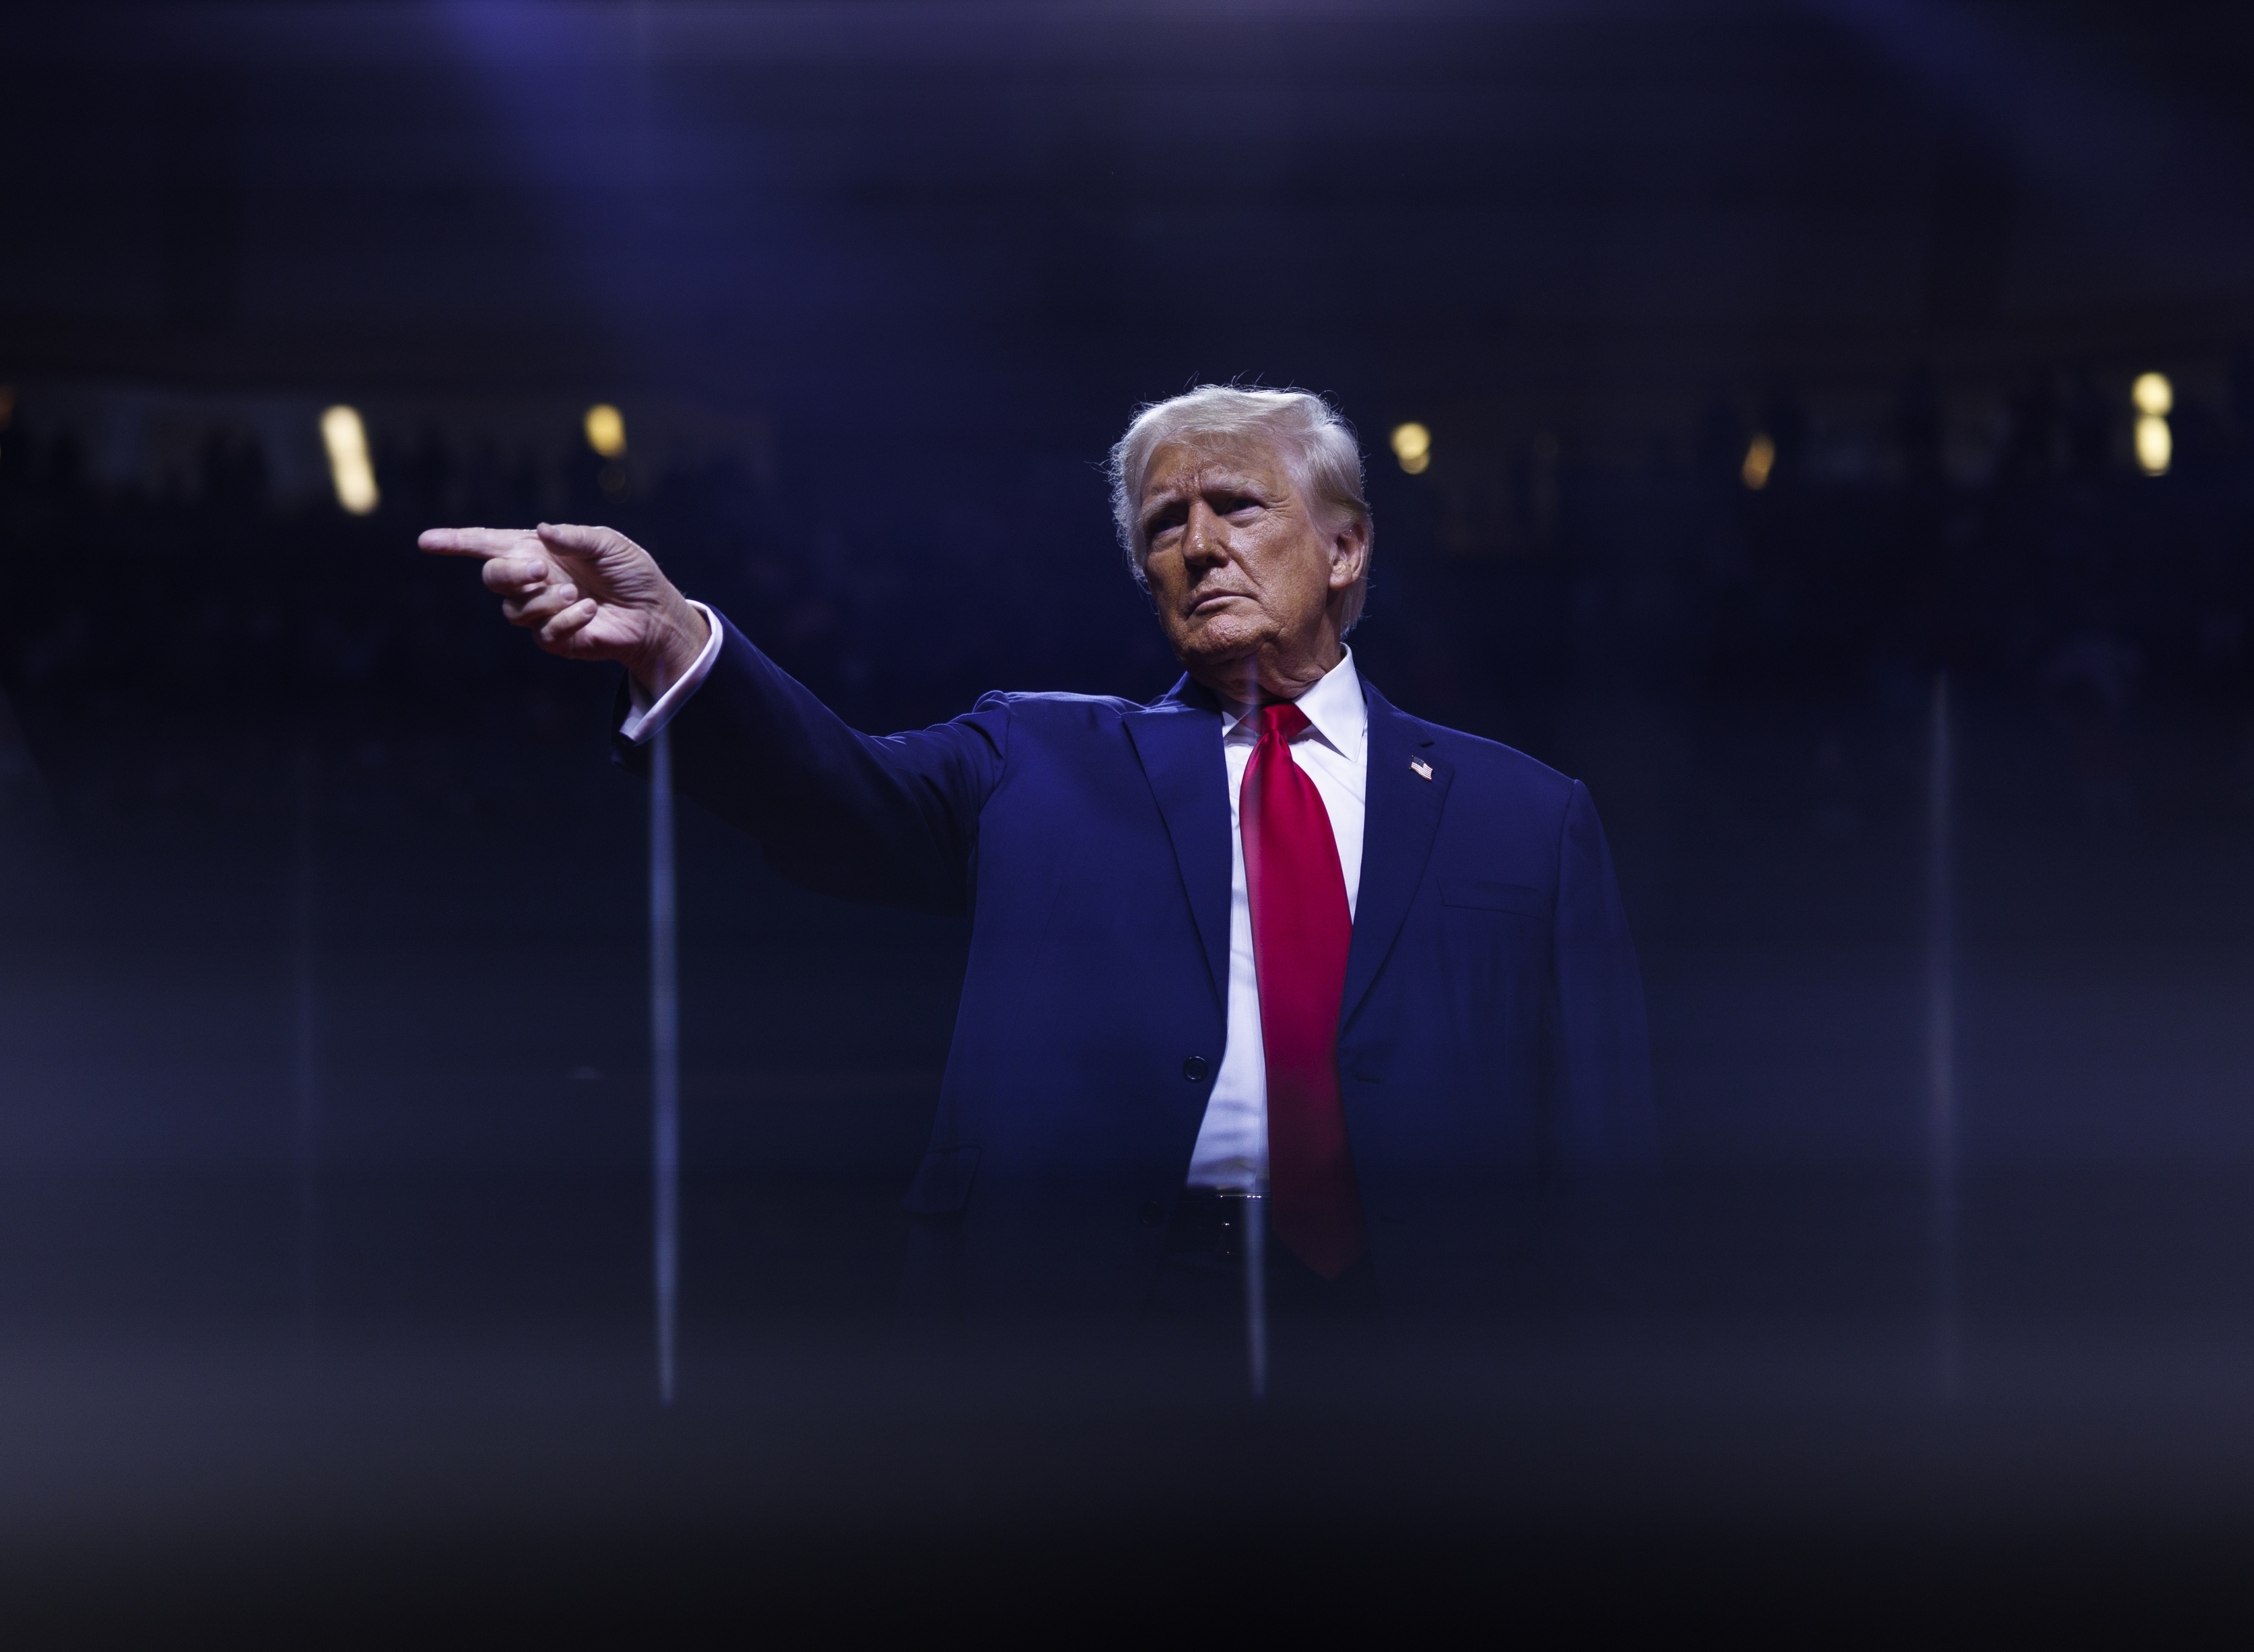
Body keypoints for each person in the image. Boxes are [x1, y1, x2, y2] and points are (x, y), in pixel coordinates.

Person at [423, 386, 1653, 1352]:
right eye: (1164, 526)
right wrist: (683, 645)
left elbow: (1603, 1172)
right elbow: (840, 794)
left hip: (1421, 1342)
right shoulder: (1040, 753)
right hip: (1105, 1326)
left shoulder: (1525, 816)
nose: (1197, 545)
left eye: (1236, 506)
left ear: (1344, 548)